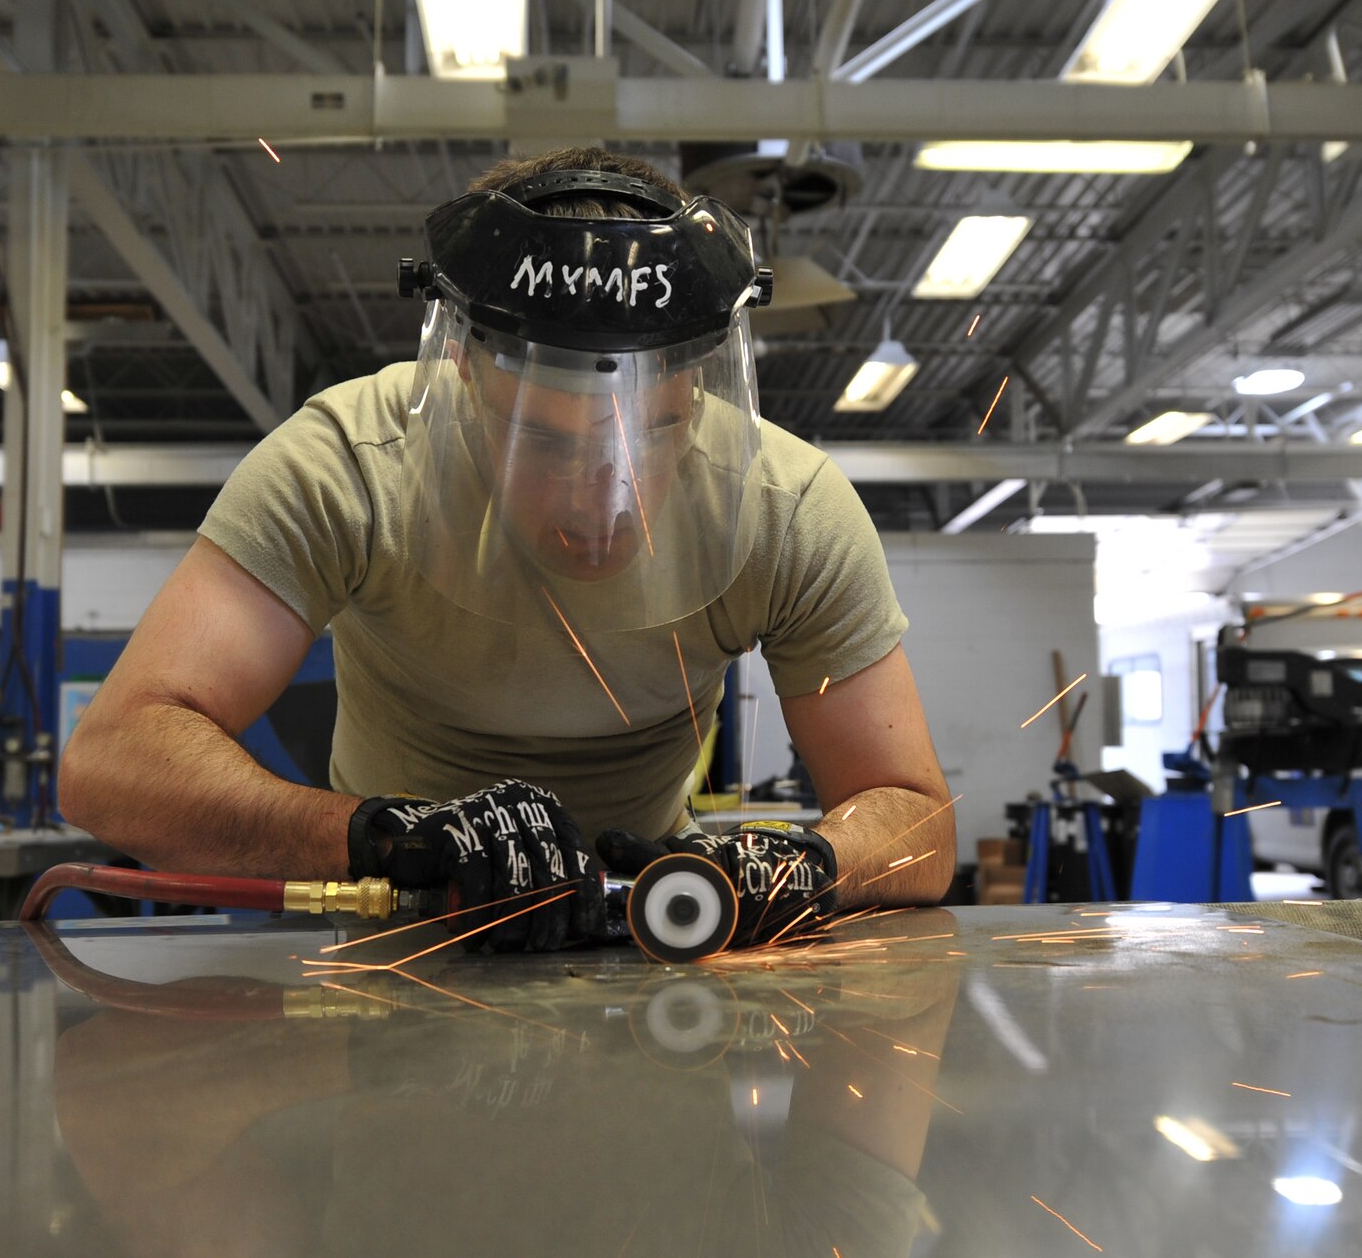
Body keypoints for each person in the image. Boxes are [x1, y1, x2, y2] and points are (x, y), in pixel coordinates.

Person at [58, 147, 954, 953]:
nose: (606, 502)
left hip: (651, 942)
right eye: (551, 444)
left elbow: (918, 820)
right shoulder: (347, 465)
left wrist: (803, 865)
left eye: (660, 433)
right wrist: (391, 839)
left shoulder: (785, 505)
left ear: (698, 380)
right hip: (401, 939)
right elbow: (113, 765)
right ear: (460, 374)